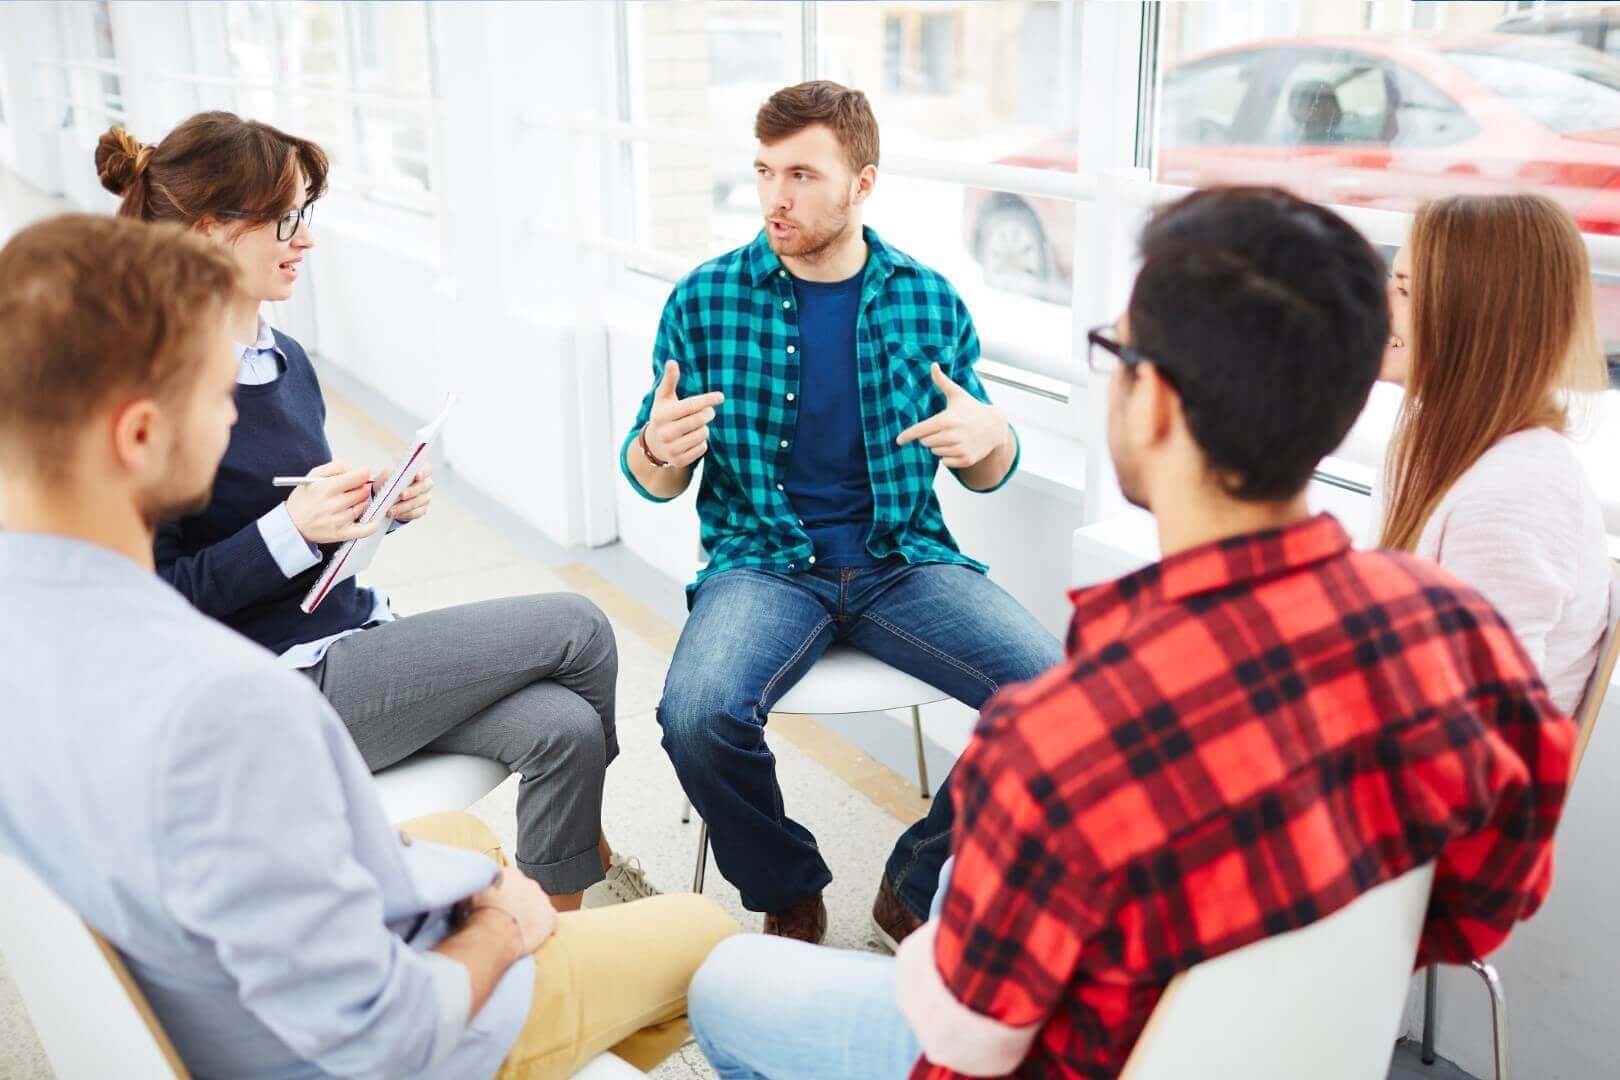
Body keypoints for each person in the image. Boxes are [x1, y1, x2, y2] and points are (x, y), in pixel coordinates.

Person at [685, 187, 1575, 1078]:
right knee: (958, 883)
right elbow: (1488, 899)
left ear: (1153, 401)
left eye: (1115, 351)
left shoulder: (1054, 746)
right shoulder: (1464, 636)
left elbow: (961, 1054)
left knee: (724, 983)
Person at [0, 212, 738, 1080]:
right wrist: (502, 928)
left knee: (487, 813)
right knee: (713, 938)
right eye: (214, 395)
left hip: (228, 972)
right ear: (138, 435)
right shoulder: (228, 701)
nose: (231, 419)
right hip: (384, 1041)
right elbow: (384, 1039)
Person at [95, 112, 653, 910]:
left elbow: (300, 527)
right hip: (270, 697)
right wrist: (289, 533)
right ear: (211, 231)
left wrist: (372, 512)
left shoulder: (281, 361)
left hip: (345, 644)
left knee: (565, 728)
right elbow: (153, 604)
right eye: (284, 219)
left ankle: (556, 942)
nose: (305, 239)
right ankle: (584, 853)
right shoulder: (145, 396)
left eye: (304, 216)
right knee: (580, 625)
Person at [620, 81, 1062, 943]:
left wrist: (994, 437)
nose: (775, 199)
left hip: (905, 561)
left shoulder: (928, 300)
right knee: (697, 713)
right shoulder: (705, 300)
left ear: (862, 184)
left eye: (802, 175)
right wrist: (657, 452)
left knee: (1059, 703)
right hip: (764, 563)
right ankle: (787, 886)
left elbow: (984, 468)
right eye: (763, 172)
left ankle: (913, 881)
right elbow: (653, 475)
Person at [1378, 193, 1610, 715]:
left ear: (1474, 320)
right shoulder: (1436, 448)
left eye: (1404, 291)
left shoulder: (1513, 496)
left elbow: (1481, 742)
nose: (1379, 305)